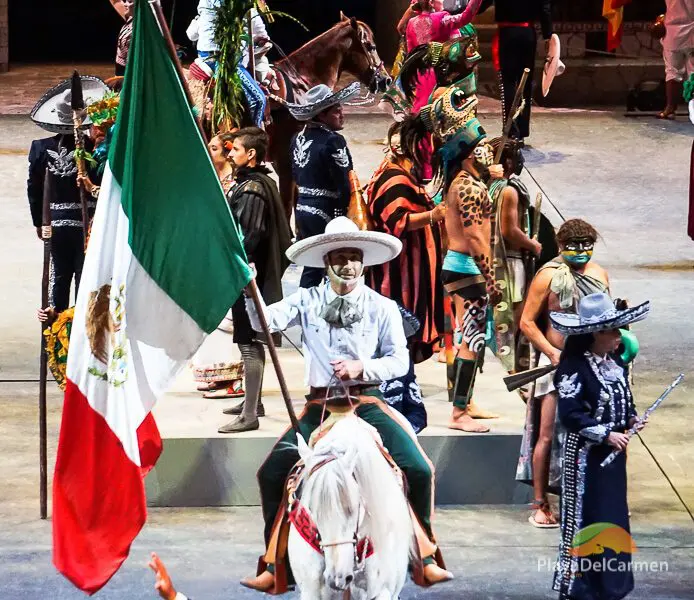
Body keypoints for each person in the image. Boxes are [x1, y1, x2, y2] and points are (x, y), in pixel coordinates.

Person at [240, 217, 452, 593]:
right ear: (327, 262)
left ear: (364, 262)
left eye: (355, 257)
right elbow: (263, 322)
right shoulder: (306, 300)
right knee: (271, 472)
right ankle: (276, 563)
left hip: (368, 401)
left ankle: (426, 555)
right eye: (340, 257)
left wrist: (361, 366)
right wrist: (249, 287)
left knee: (419, 468)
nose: (349, 265)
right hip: (320, 406)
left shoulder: (382, 307)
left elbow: (398, 361)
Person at [550, 293, 650, 600]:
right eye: (613, 331)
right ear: (596, 334)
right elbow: (570, 414)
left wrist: (630, 420)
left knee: (613, 513)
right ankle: (582, 586)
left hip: (613, 457)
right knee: (587, 515)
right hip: (585, 458)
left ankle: (611, 585)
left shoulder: (615, 364)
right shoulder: (573, 369)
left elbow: (623, 401)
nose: (619, 338)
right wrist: (605, 434)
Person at [518, 219, 609, 527]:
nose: (581, 252)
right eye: (574, 246)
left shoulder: (599, 275)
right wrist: (552, 352)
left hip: (592, 365)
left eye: (587, 246)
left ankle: (593, 497)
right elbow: (528, 323)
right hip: (557, 366)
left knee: (595, 432)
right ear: (560, 246)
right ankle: (541, 503)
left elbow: (606, 318)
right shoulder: (547, 277)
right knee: (546, 434)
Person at [365, 122, 446, 432]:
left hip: (408, 276)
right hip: (397, 279)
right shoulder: (393, 179)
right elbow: (397, 220)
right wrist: (434, 215)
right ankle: (396, 400)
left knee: (402, 339)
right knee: (397, 336)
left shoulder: (399, 175)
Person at [217, 127, 292, 433]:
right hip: (249, 276)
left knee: (249, 343)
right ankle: (253, 401)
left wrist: (235, 269)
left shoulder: (252, 190)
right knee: (249, 341)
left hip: (250, 278)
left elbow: (250, 235)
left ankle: (249, 415)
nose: (229, 153)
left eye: (234, 149)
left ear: (251, 154)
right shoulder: (258, 183)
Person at [28, 77, 108, 312]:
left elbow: (34, 188)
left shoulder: (40, 148)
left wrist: (37, 222)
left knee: (59, 279)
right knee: (85, 279)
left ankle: (55, 332)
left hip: (56, 224)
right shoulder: (94, 148)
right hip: (88, 225)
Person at [286, 82, 360, 288]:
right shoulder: (333, 141)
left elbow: (295, 174)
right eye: (337, 111)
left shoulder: (296, 138)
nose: (342, 114)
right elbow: (345, 179)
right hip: (327, 211)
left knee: (313, 266)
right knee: (331, 266)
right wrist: (348, 211)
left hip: (302, 209)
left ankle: (305, 306)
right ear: (321, 115)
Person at [487, 137, 542, 373]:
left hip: (500, 261)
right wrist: (533, 245)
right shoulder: (508, 191)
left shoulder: (491, 186)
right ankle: (510, 370)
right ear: (508, 161)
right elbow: (510, 231)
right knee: (513, 320)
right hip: (510, 263)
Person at [488, 0, 553, 143]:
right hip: (527, 34)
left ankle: (511, 130)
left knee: (509, 82)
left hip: (507, 34)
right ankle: (521, 131)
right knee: (525, 83)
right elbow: (544, 7)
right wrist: (548, 35)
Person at [658, 0, 694, 119]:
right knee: (693, 73)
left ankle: (670, 107)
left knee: (672, 72)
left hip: (673, 34)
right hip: (690, 32)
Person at [110, 0, 134, 76]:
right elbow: (115, 1)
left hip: (131, 77)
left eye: (130, 1)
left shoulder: (144, 28)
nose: (125, 4)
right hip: (120, 73)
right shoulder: (130, 19)